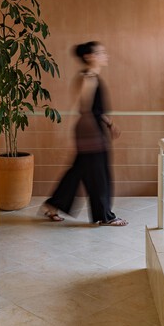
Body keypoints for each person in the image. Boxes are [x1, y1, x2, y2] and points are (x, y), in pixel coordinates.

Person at [42, 41, 128, 226]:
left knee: (79, 170)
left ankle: (52, 205)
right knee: (99, 174)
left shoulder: (93, 76)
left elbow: (96, 110)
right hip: (90, 132)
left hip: (92, 129)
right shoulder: (88, 76)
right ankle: (104, 216)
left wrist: (110, 123)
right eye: (101, 52)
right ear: (90, 57)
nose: (106, 55)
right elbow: (85, 106)